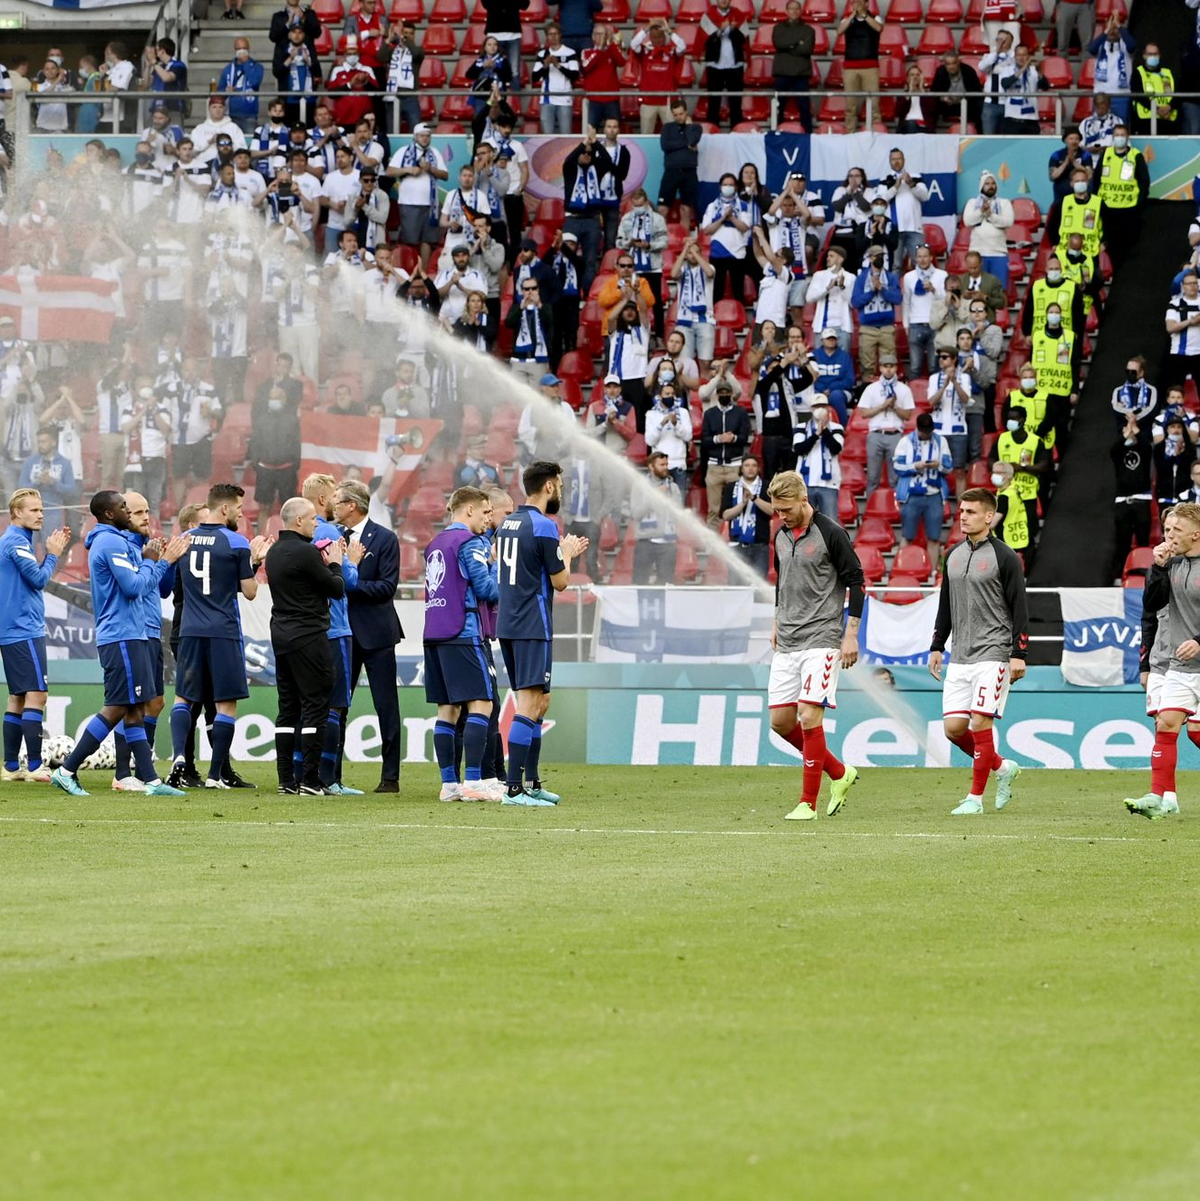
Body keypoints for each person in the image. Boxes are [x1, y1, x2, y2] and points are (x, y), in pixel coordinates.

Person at [51, 493, 189, 798]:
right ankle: (67, 770)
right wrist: (160, 562)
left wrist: (159, 563)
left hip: (133, 634)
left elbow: (147, 585)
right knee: (117, 708)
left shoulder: (118, 541)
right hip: (121, 636)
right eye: (124, 507)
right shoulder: (110, 543)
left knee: (133, 709)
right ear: (109, 514)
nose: (130, 511)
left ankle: (149, 780)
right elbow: (133, 587)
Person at [765, 471, 862, 821]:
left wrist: (850, 634)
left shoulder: (831, 533)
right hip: (788, 639)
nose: (782, 516)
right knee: (780, 721)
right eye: (777, 510)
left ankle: (808, 803)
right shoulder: (780, 536)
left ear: (804, 500)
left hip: (821, 637)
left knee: (808, 715)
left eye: (786, 509)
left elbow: (857, 582)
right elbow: (783, 582)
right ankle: (839, 772)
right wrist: (777, 620)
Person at [928, 489, 1027, 815]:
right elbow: (946, 603)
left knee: (982, 722)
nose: (963, 516)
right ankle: (1002, 768)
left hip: (994, 653)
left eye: (971, 511)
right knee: (954, 729)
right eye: (961, 511)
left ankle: (975, 798)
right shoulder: (953, 555)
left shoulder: (1006, 557)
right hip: (961, 655)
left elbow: (1019, 607)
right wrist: (937, 645)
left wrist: (1018, 652)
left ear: (988, 516)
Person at [495, 460, 587, 806]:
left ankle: (532, 783)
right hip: (532, 624)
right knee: (530, 702)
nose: (560, 490)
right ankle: (514, 788)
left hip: (510, 622)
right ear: (548, 486)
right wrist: (566, 553)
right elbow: (560, 582)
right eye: (559, 484)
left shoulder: (506, 524)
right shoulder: (545, 526)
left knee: (539, 702)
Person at [165, 484, 268, 791]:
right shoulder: (237, 542)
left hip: (190, 630)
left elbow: (174, 584)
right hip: (223, 631)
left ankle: (179, 758)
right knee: (225, 704)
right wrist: (254, 564)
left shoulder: (184, 540)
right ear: (224, 508)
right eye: (238, 507)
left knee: (184, 697)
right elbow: (249, 592)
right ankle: (214, 775)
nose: (240, 512)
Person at [422, 487, 502, 803]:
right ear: (468, 510)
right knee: (481, 703)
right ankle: (473, 782)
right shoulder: (469, 544)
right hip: (463, 631)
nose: (489, 518)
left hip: (434, 632)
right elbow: (487, 590)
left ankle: (449, 785)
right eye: (485, 512)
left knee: (447, 710)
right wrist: (494, 565)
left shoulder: (435, 543)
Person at [263, 498, 345, 795]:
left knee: (287, 708)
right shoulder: (305, 552)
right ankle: (311, 779)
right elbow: (336, 588)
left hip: (282, 635)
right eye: (312, 518)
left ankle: (286, 779)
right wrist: (335, 562)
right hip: (309, 635)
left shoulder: (273, 552)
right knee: (315, 705)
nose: (315, 523)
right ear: (298, 521)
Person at [1126, 503, 1200, 818]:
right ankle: (1158, 796)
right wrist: (1156, 568)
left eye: (1176, 531)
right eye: (1166, 530)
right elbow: (1152, 606)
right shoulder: (1170, 564)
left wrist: (1198, 642)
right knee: (1166, 724)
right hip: (1180, 667)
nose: (1169, 537)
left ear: (1196, 534)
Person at [334, 478, 403, 793]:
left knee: (386, 706)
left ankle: (390, 778)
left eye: (338, 501)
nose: (332, 506)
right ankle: (330, 775)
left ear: (352, 506)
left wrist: (349, 580)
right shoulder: (331, 538)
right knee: (337, 706)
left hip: (377, 634)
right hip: (341, 634)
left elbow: (387, 588)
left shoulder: (385, 538)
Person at [0, 489, 70, 784]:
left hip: (13, 628)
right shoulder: (16, 542)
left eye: (41, 509)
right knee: (37, 694)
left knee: (17, 697)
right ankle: (35, 765)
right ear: (16, 512)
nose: (40, 514)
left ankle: (12, 766)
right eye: (34, 510)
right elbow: (39, 579)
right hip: (22, 629)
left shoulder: (16, 541)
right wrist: (53, 554)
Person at [110, 492, 176, 792]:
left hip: (151, 631)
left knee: (156, 702)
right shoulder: (125, 549)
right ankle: (123, 772)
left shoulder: (145, 548)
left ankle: (140, 763)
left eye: (147, 511)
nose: (145, 517)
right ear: (124, 516)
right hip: (134, 632)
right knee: (128, 705)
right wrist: (160, 562)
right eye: (138, 512)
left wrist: (170, 562)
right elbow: (136, 586)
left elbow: (162, 590)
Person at [386, 123, 448, 270]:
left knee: (428, 240)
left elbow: (445, 175)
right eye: (422, 135)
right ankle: (409, 270)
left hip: (431, 205)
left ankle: (423, 272)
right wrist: (408, 169)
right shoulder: (404, 151)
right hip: (409, 203)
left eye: (428, 136)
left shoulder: (434, 152)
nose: (425, 139)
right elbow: (389, 172)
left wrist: (430, 169)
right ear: (415, 136)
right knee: (409, 240)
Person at [893, 414, 953, 565]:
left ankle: (933, 574)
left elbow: (949, 466)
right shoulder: (905, 441)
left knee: (934, 538)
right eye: (923, 432)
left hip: (934, 494)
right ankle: (902, 569)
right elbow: (897, 466)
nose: (926, 435)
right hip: (911, 495)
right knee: (907, 536)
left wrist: (938, 465)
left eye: (928, 432)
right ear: (917, 429)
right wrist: (914, 466)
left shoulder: (941, 441)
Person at [1092, 123, 1147, 271]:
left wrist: (1139, 203)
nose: (1119, 138)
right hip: (1107, 207)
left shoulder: (1135, 155)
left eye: (1122, 135)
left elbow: (1144, 182)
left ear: (1127, 137)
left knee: (1127, 245)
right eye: (1117, 135)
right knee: (1110, 244)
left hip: (1128, 208)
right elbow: (1096, 179)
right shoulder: (1106, 154)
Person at [859, 354, 914, 493]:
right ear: (880, 368)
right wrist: (883, 406)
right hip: (876, 433)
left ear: (896, 368)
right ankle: (870, 510)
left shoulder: (903, 389)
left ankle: (896, 510)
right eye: (885, 366)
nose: (888, 370)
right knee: (872, 477)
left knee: (895, 477)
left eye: (892, 366)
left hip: (895, 434)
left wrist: (894, 406)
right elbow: (864, 413)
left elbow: (907, 416)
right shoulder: (872, 388)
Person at [701, 381, 751, 527]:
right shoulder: (709, 414)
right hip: (714, 466)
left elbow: (744, 437)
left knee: (735, 505)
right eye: (721, 392)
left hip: (734, 466)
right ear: (717, 394)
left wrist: (733, 438)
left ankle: (734, 537)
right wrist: (719, 439)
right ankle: (712, 542)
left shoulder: (740, 413)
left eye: (726, 392)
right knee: (713, 509)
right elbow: (704, 440)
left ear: (731, 394)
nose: (724, 395)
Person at [852, 246, 902, 381]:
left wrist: (882, 289)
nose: (879, 258)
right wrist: (871, 292)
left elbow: (897, 299)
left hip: (886, 327)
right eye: (875, 256)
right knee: (867, 363)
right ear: (870, 258)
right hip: (868, 328)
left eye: (881, 255)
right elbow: (855, 302)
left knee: (889, 361)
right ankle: (867, 390)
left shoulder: (891, 277)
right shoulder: (862, 278)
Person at [630, 18, 687, 133]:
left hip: (667, 102)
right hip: (647, 102)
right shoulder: (645, 51)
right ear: (650, 37)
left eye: (660, 36)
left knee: (672, 134)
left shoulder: (671, 51)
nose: (658, 40)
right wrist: (646, 28)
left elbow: (683, 46)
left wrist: (669, 31)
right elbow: (633, 44)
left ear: (665, 37)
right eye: (654, 37)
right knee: (646, 136)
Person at [836, 0, 883, 135]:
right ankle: (850, 131)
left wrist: (864, 15)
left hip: (870, 66)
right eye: (854, 2)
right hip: (850, 66)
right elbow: (839, 31)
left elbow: (878, 28)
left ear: (867, 4)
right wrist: (852, 16)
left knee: (874, 102)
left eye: (859, 2)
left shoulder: (875, 17)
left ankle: (877, 130)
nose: (856, 4)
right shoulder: (847, 19)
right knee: (851, 103)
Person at [792, 399, 844, 521]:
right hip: (804, 484)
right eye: (816, 406)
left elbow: (836, 448)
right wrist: (816, 434)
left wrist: (825, 430)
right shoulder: (801, 427)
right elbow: (799, 449)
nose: (819, 409)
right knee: (805, 522)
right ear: (811, 409)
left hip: (829, 484)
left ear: (827, 408)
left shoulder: (836, 427)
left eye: (822, 406)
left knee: (830, 523)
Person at [902, 243, 947, 381]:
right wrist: (905, 324)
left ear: (931, 257)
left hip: (935, 324)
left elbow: (946, 299)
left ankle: (934, 400)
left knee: (934, 366)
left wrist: (934, 290)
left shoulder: (942, 275)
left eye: (925, 256)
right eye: (919, 257)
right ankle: (914, 400)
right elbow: (906, 302)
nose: (922, 260)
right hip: (915, 324)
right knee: (915, 367)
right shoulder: (909, 277)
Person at [963, 171, 1015, 289]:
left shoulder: (1004, 203)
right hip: (977, 254)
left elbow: (1008, 221)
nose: (991, 186)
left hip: (999, 253)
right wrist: (981, 212)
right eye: (987, 183)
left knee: (998, 290)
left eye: (993, 183)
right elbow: (968, 221)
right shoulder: (972, 203)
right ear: (981, 186)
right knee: (977, 290)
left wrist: (991, 215)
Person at [772, 0, 815, 131]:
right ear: (786, 11)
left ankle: (808, 135)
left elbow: (807, 49)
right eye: (791, 9)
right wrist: (797, 43)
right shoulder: (778, 28)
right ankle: (775, 132)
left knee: (804, 107)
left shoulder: (808, 30)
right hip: (782, 72)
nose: (794, 11)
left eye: (797, 9)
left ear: (801, 11)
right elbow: (779, 43)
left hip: (801, 73)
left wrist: (788, 46)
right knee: (779, 106)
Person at [701, 0, 746, 128]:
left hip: (735, 66)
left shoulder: (739, 15)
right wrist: (720, 30)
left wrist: (733, 30)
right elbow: (705, 41)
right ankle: (712, 132)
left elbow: (744, 39)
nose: (724, 1)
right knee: (713, 103)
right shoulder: (707, 16)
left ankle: (737, 132)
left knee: (736, 103)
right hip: (714, 66)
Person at [658, 100, 702, 230]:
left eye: (681, 114)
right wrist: (686, 144)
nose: (678, 117)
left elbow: (692, 140)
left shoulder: (696, 128)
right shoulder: (667, 127)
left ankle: (685, 243)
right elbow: (665, 146)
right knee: (662, 209)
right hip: (671, 171)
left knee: (686, 209)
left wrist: (688, 127)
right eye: (675, 115)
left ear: (686, 112)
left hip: (689, 172)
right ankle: (660, 240)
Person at [532, 24, 580, 136]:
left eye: (555, 34)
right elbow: (534, 77)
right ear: (547, 36)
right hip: (547, 99)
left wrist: (558, 65)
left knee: (566, 135)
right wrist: (546, 65)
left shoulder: (570, 53)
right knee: (547, 136)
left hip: (564, 99)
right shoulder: (542, 54)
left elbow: (574, 75)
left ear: (560, 35)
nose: (553, 37)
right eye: (550, 34)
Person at [1088, 14, 1136, 124]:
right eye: (1110, 28)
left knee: (1121, 128)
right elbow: (1092, 49)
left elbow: (1132, 45)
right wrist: (1106, 31)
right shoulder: (1101, 46)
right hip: (1101, 96)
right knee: (1098, 127)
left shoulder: (1125, 46)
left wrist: (1119, 26)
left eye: (1115, 29)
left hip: (1121, 96)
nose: (1112, 31)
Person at [931, 49, 983, 132]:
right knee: (931, 105)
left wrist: (964, 100)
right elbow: (933, 92)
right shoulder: (940, 72)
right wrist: (943, 98)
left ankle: (980, 135)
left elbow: (977, 92)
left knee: (980, 106)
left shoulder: (969, 71)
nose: (951, 67)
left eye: (954, 63)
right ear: (944, 64)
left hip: (967, 104)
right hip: (947, 105)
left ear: (958, 62)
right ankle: (931, 133)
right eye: (948, 64)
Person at [979, 30, 1017, 136]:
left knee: (1005, 139)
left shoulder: (1015, 57)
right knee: (988, 138)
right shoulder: (989, 56)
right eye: (998, 39)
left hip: (1008, 103)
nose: (1001, 43)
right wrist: (996, 52)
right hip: (990, 103)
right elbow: (982, 67)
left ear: (1011, 42)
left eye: (1004, 40)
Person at [1166, 272, 1200, 385]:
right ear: (1183, 286)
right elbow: (1170, 327)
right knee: (1176, 388)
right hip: (1180, 353)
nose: (1192, 286)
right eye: (1189, 283)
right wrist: (1190, 321)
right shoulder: (1175, 303)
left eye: (1195, 283)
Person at [956, 250, 1007, 324]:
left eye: (975, 268)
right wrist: (962, 297)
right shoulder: (960, 280)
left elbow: (1002, 303)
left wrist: (985, 298)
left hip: (987, 323)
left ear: (981, 263)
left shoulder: (992, 280)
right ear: (966, 264)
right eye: (970, 268)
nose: (973, 271)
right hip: (964, 324)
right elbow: (951, 303)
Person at [1048, 129, 1094, 207]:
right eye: (1071, 139)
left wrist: (1074, 162)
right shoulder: (1057, 155)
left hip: (1081, 195)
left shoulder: (1085, 155)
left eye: (1076, 139)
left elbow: (1089, 175)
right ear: (1065, 140)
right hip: (1061, 195)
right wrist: (1065, 163)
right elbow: (1052, 176)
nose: (1074, 141)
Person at [1110, 355, 1157, 432]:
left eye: (1133, 372)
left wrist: (1134, 418)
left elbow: (1152, 410)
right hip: (1124, 431)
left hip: (1143, 432)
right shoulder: (1118, 391)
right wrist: (1129, 414)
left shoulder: (1151, 390)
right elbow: (1116, 410)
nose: (1130, 374)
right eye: (1127, 371)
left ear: (1141, 372)